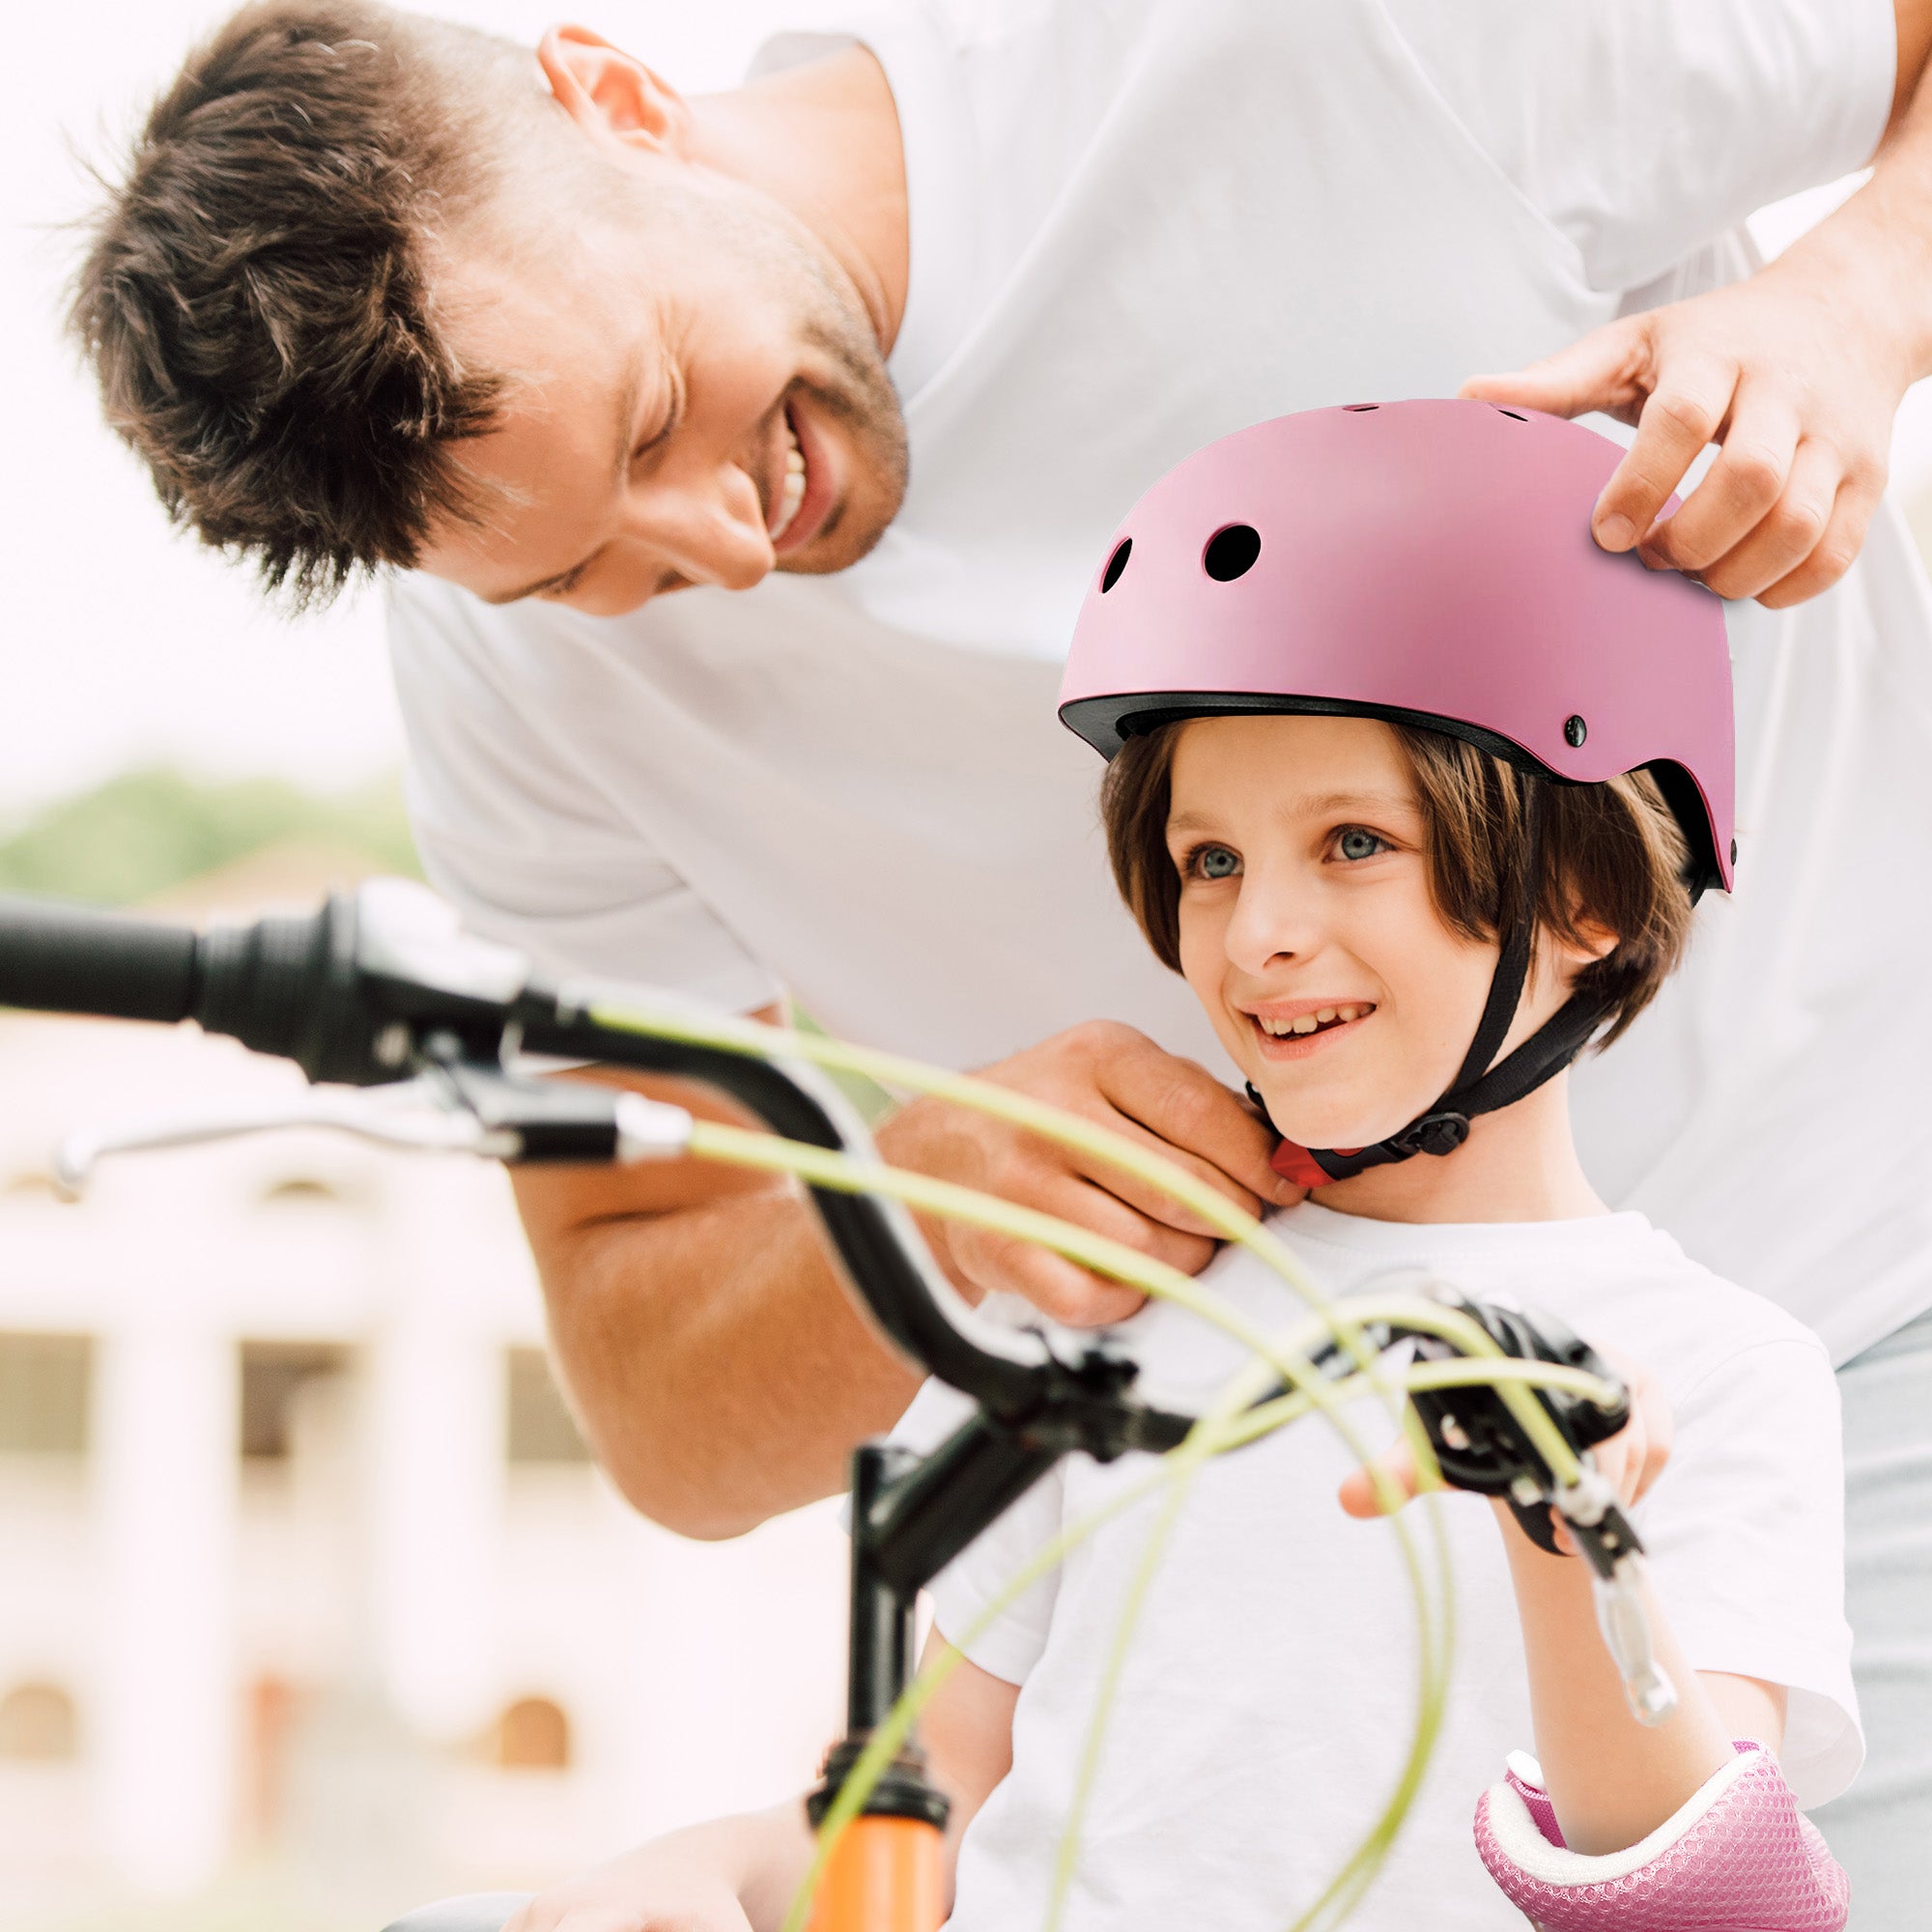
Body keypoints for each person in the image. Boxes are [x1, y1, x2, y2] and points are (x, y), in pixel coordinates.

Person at [71, 0, 1932, 1901]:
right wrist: (919, 1195)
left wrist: (1852, 310)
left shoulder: (1337, 52)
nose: (713, 554)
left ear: (615, 93)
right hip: (1220, 1361)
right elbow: (677, 1425)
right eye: (582, 573)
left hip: (1866, 1275)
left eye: (651, 412)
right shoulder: (512, 674)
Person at [491, 404, 1860, 1932]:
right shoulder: (1097, 1296)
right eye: (1211, 860)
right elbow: (918, 1808)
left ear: (1593, 891)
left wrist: (1570, 1537)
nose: (1258, 930)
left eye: (1353, 843)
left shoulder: (1717, 1374)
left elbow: (1711, 1905)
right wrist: (709, 1875)